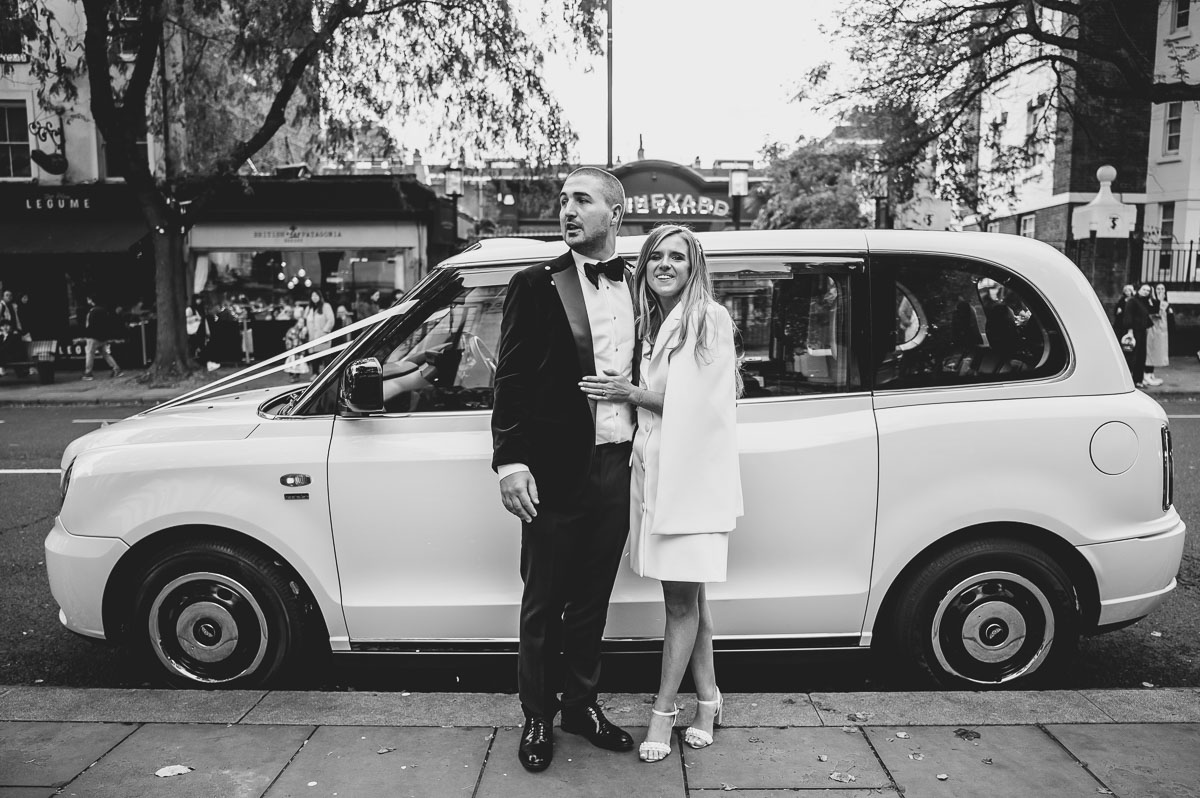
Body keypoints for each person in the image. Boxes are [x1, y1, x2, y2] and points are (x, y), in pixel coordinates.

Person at [491, 167, 636, 773]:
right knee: (543, 600)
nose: (566, 210)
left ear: (614, 214)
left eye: (581, 200)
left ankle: (582, 705)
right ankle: (535, 715)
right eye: (563, 201)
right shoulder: (535, 283)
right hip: (553, 471)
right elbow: (512, 379)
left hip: (620, 465)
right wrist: (511, 461)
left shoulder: (641, 287)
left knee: (593, 599)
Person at [579, 225, 743, 763]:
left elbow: (699, 409)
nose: (665, 264)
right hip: (659, 479)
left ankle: (665, 710)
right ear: (644, 264)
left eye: (678, 256)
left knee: (678, 604)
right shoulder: (654, 321)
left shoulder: (707, 319)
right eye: (657, 256)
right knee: (691, 599)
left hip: (690, 486)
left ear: (694, 266)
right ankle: (711, 699)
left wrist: (628, 393)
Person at [1118, 283, 1153, 388]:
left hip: (1142, 332)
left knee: (1141, 356)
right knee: (1132, 357)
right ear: (1139, 290)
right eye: (1144, 289)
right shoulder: (1132, 301)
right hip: (1134, 332)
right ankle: (1127, 381)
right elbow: (1128, 316)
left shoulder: (1145, 302)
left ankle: (1138, 380)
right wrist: (1130, 331)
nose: (1146, 292)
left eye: (1148, 290)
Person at [82, 295, 122, 380]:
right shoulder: (103, 310)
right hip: (103, 337)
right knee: (105, 353)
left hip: (93, 337)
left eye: (88, 299)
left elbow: (89, 325)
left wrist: (87, 334)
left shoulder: (92, 311)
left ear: (91, 300)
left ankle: (88, 373)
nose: (87, 301)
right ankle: (116, 369)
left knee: (89, 353)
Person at [303, 289, 335, 374]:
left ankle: (328, 374)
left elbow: (331, 320)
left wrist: (324, 331)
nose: (314, 297)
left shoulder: (326, 306)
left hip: (322, 337)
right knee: (314, 357)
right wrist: (305, 329)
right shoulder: (308, 308)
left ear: (320, 297)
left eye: (316, 295)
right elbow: (305, 320)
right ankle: (315, 373)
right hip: (312, 337)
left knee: (326, 356)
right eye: (313, 296)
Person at [1145, 282, 1170, 386]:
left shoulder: (1166, 301)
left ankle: (1151, 373)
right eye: (1158, 289)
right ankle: (1146, 373)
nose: (1160, 291)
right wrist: (1159, 303)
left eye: (1162, 289)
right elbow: (1155, 313)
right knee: (1150, 351)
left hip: (1161, 331)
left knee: (1157, 351)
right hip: (1152, 329)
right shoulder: (1152, 301)